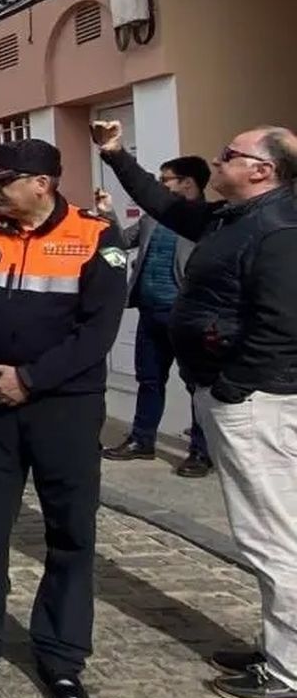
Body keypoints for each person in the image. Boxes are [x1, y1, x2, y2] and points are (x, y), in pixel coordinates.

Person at [93, 121, 297, 698]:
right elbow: (161, 202)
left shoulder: (279, 230)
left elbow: (282, 327)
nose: (218, 158)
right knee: (264, 530)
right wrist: (114, 155)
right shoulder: (232, 219)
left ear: (262, 170)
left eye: (230, 154)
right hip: (238, 395)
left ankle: (289, 668)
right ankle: (278, 646)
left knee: (272, 533)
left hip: (256, 402)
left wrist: (232, 390)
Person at [0, 139, 126, 698]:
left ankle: (62, 656)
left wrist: (30, 378)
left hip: (65, 407)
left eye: (3, 181)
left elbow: (98, 333)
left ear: (42, 184)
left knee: (70, 533)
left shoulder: (97, 238)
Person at [95, 156, 214, 475]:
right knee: (149, 380)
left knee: (197, 386)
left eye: (166, 180)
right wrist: (106, 213)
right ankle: (141, 440)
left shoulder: (207, 220)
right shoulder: (153, 218)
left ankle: (201, 452)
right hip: (150, 314)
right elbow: (120, 243)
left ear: (187, 183)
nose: (159, 186)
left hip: (187, 317)